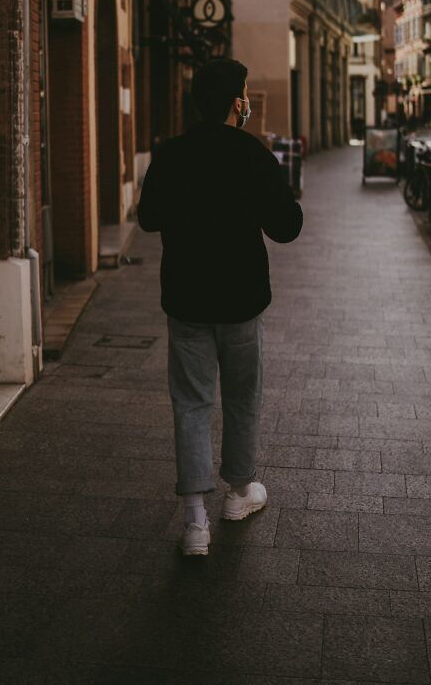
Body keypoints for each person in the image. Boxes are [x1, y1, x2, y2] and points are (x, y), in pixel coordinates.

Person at [137, 59, 303, 555]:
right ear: (237, 102)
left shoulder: (171, 154)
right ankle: (238, 492)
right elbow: (286, 227)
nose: (247, 100)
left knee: (190, 403)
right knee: (242, 396)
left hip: (187, 299)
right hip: (241, 300)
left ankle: (193, 523)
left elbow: (147, 219)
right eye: (245, 93)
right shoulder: (252, 155)